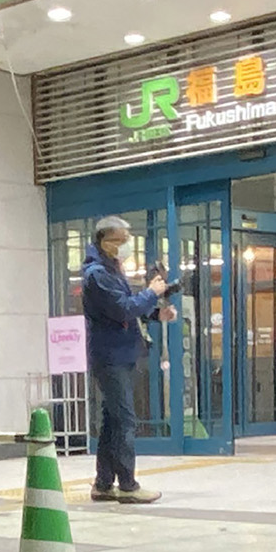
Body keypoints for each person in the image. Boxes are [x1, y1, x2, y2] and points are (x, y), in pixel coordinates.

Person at [78, 215, 169, 503]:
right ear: (104, 242)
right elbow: (122, 310)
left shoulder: (111, 270)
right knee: (126, 421)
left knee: (112, 420)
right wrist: (152, 294)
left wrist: (156, 313)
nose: (126, 246)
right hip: (111, 356)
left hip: (120, 353)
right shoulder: (98, 275)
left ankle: (104, 483)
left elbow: (127, 311)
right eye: (120, 241)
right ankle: (128, 486)